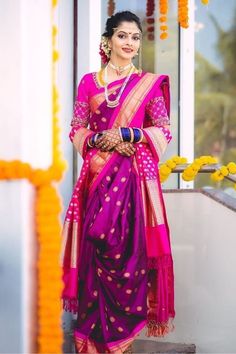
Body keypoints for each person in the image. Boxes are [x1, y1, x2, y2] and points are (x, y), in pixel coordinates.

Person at [60, 10, 175, 354]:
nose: (129, 43)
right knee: (97, 247)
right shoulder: (89, 83)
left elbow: (163, 129)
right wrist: (99, 141)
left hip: (133, 181)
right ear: (107, 41)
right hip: (98, 177)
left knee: (129, 254)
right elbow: (76, 128)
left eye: (136, 37)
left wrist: (127, 133)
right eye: (123, 36)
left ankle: (122, 340)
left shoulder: (148, 84)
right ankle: (92, 340)